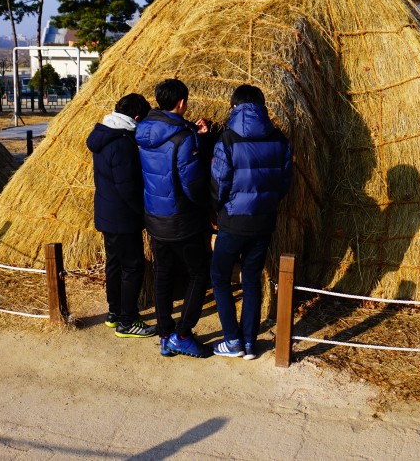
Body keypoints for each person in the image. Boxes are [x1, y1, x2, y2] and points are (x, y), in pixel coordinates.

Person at [210, 84, 292, 360]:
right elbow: (284, 183)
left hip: (233, 221)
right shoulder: (279, 139)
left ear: (234, 107)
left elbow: (219, 183)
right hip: (263, 222)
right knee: (252, 280)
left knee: (220, 278)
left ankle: (232, 340)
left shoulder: (228, 139)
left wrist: (217, 210)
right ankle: (249, 344)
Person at [136, 78, 214, 358]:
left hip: (154, 215)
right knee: (199, 272)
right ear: (181, 103)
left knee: (164, 273)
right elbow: (192, 183)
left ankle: (166, 333)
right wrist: (206, 206)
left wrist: (197, 135)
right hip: (181, 218)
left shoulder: (144, 131)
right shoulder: (183, 137)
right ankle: (182, 334)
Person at [86, 93, 156, 338]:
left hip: (107, 212)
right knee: (133, 267)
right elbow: (128, 187)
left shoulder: (105, 134)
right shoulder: (122, 143)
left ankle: (114, 313)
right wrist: (143, 213)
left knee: (115, 264)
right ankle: (128, 320)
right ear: (136, 117)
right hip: (123, 216)